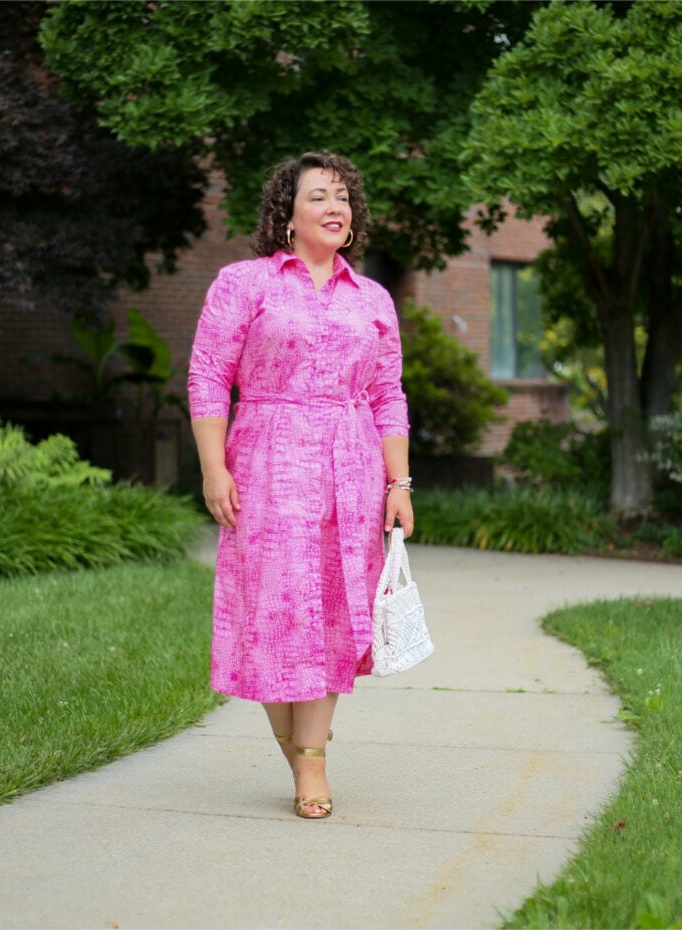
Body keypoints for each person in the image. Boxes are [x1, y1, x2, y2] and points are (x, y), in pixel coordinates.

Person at [187, 151, 413, 820]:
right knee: (278, 615)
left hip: (352, 466)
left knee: (334, 616)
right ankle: (296, 746)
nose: (335, 208)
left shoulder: (371, 298)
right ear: (287, 214)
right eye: (319, 196)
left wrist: (399, 482)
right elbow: (206, 377)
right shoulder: (243, 283)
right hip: (265, 464)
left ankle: (312, 760)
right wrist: (212, 466)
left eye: (343, 197)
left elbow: (387, 394)